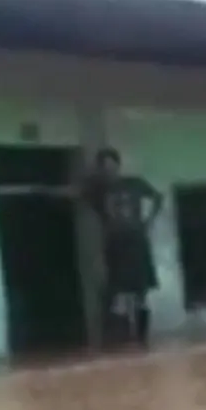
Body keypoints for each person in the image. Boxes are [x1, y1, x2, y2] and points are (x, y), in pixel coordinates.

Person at [84, 147, 163, 345]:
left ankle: (141, 338)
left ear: (118, 165)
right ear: (100, 169)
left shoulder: (134, 182)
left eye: (111, 165)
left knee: (141, 292)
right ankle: (122, 337)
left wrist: (149, 221)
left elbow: (158, 197)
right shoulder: (97, 191)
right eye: (104, 167)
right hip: (115, 244)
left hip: (137, 241)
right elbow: (76, 193)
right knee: (118, 292)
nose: (109, 170)